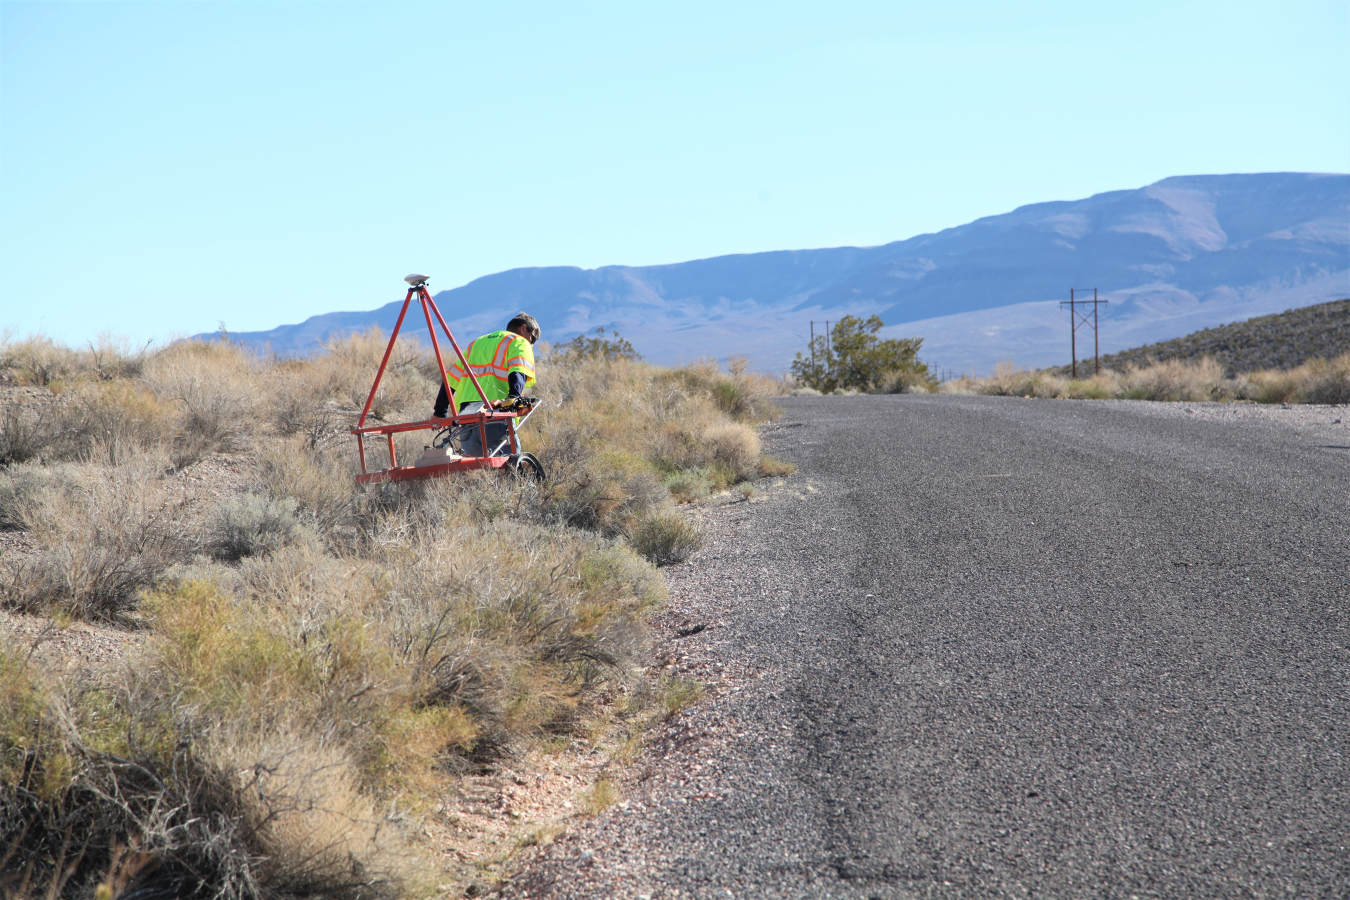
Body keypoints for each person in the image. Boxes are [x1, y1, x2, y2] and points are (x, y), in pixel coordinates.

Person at [433, 313, 539, 457]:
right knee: (508, 465)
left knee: (477, 467)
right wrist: (515, 401)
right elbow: (518, 372)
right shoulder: (519, 341)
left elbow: (450, 380)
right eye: (532, 339)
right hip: (495, 410)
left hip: (467, 413)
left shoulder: (477, 343)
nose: (531, 345)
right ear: (523, 328)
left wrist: (439, 412)